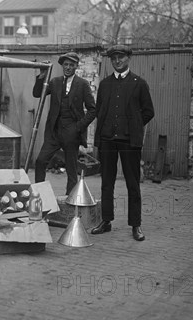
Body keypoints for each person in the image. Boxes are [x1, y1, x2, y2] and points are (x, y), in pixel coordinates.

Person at [91, 45, 154, 241]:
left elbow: (148, 111)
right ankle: (106, 220)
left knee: (132, 184)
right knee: (106, 183)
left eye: (121, 57)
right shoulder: (105, 84)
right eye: (114, 58)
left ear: (128, 58)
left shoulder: (139, 83)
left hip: (129, 141)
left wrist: (134, 126)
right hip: (107, 139)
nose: (117, 61)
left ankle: (136, 225)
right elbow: (100, 110)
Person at [32, 52, 96, 195]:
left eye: (71, 65)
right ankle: (39, 196)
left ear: (76, 67)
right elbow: (37, 93)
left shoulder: (83, 84)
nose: (68, 67)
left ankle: (70, 202)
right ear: (62, 66)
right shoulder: (54, 82)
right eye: (66, 65)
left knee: (72, 170)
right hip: (54, 132)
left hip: (71, 133)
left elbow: (93, 110)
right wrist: (42, 75)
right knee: (40, 161)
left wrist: (78, 127)